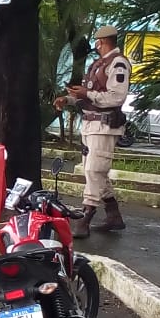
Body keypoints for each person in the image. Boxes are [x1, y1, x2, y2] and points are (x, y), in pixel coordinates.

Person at [55, 25, 131, 238]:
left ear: (103, 42)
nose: (96, 47)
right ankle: (114, 216)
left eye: (97, 43)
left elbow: (116, 97)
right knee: (96, 170)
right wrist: (69, 99)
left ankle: (85, 219)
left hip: (104, 127)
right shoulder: (99, 64)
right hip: (90, 125)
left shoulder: (118, 64)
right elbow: (90, 95)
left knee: (93, 171)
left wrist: (87, 93)